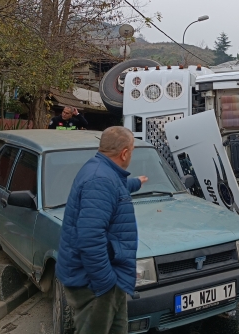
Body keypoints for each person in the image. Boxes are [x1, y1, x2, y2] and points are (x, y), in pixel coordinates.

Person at [55, 127, 148, 334]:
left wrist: (135, 183)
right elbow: (89, 238)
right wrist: (105, 282)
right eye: (132, 150)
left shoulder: (104, 171)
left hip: (106, 278)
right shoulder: (100, 180)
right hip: (95, 283)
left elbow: (116, 188)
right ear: (125, 153)